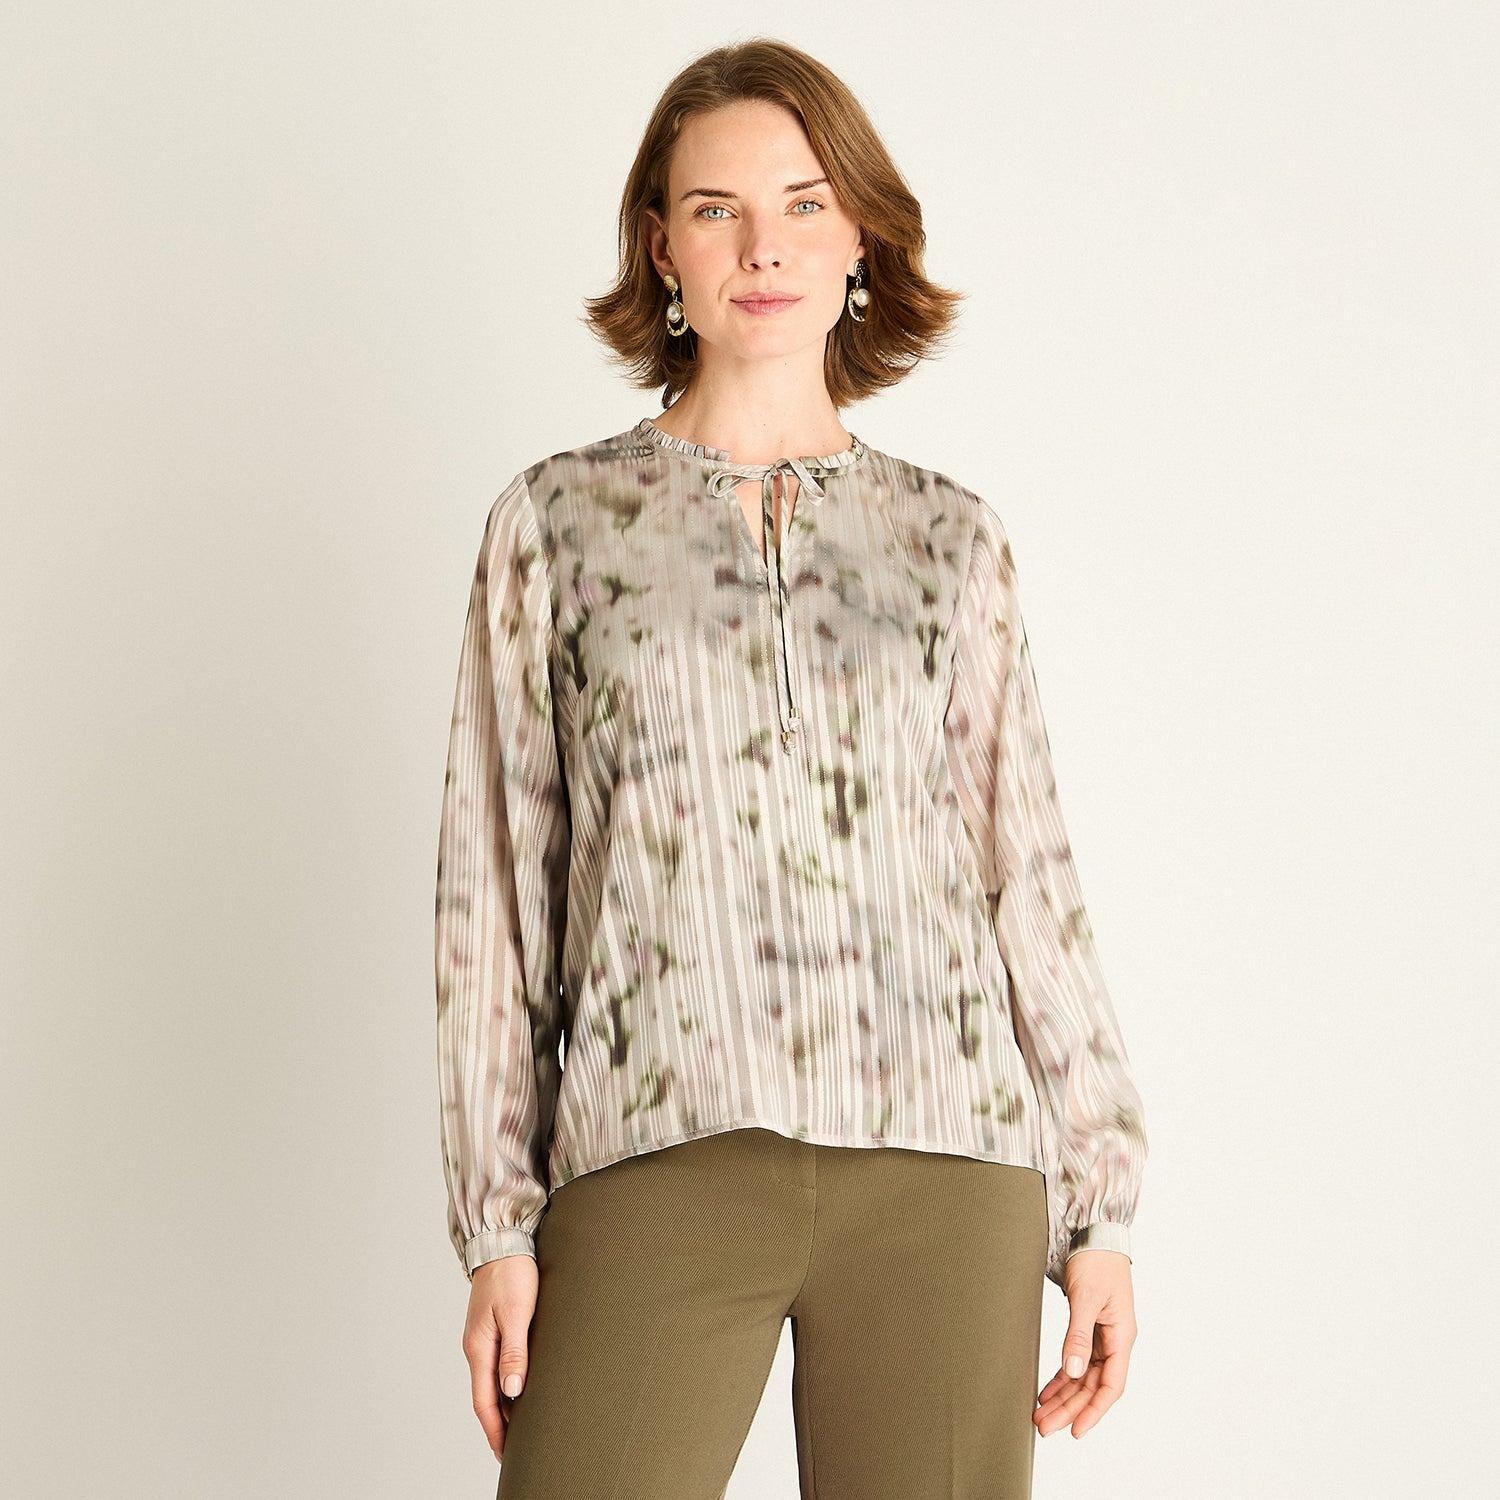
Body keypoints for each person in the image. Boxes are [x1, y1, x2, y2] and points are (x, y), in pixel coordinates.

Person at [434, 36, 1148, 1500]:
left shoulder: (952, 540)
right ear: (663, 246)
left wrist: (1100, 1211)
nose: (764, 248)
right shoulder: (557, 524)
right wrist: (497, 1224)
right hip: (659, 1147)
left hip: (949, 1166)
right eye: (718, 209)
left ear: (860, 237)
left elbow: (1027, 874)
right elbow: (493, 900)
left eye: (805, 204)